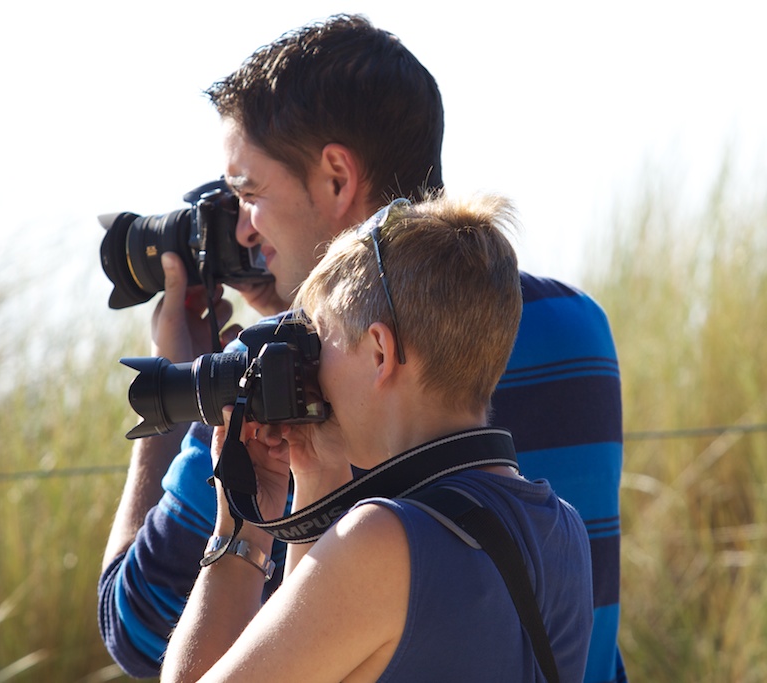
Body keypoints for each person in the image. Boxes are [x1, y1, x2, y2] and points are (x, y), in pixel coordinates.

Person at [98, 14, 626, 682]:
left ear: (338, 177)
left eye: (249, 193)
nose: (247, 230)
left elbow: (139, 626)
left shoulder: (295, 376)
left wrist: (186, 388)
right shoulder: (580, 331)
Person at [162, 193, 593, 682]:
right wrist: (317, 475)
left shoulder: (381, 542)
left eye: (321, 342)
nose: (314, 372)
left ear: (380, 353)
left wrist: (239, 531)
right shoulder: (564, 532)